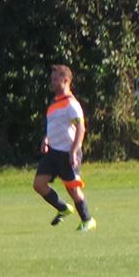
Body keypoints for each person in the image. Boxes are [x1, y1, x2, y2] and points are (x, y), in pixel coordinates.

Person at [32, 64, 96, 232]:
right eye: (51, 79)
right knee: (39, 184)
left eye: (55, 79)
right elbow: (53, 126)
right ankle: (63, 208)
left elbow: (81, 128)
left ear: (66, 80)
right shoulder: (54, 103)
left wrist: (74, 150)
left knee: (73, 189)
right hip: (52, 152)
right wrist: (46, 138)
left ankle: (88, 220)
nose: (52, 82)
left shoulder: (71, 103)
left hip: (67, 152)